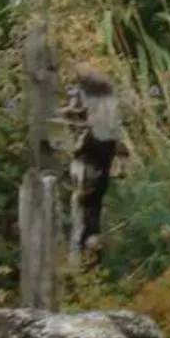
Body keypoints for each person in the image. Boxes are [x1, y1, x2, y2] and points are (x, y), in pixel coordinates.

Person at [64, 68, 124, 256]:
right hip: (97, 177)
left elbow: (78, 149)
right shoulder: (108, 127)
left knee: (82, 224)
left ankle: (82, 259)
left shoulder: (96, 131)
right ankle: (91, 255)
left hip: (88, 178)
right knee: (92, 221)